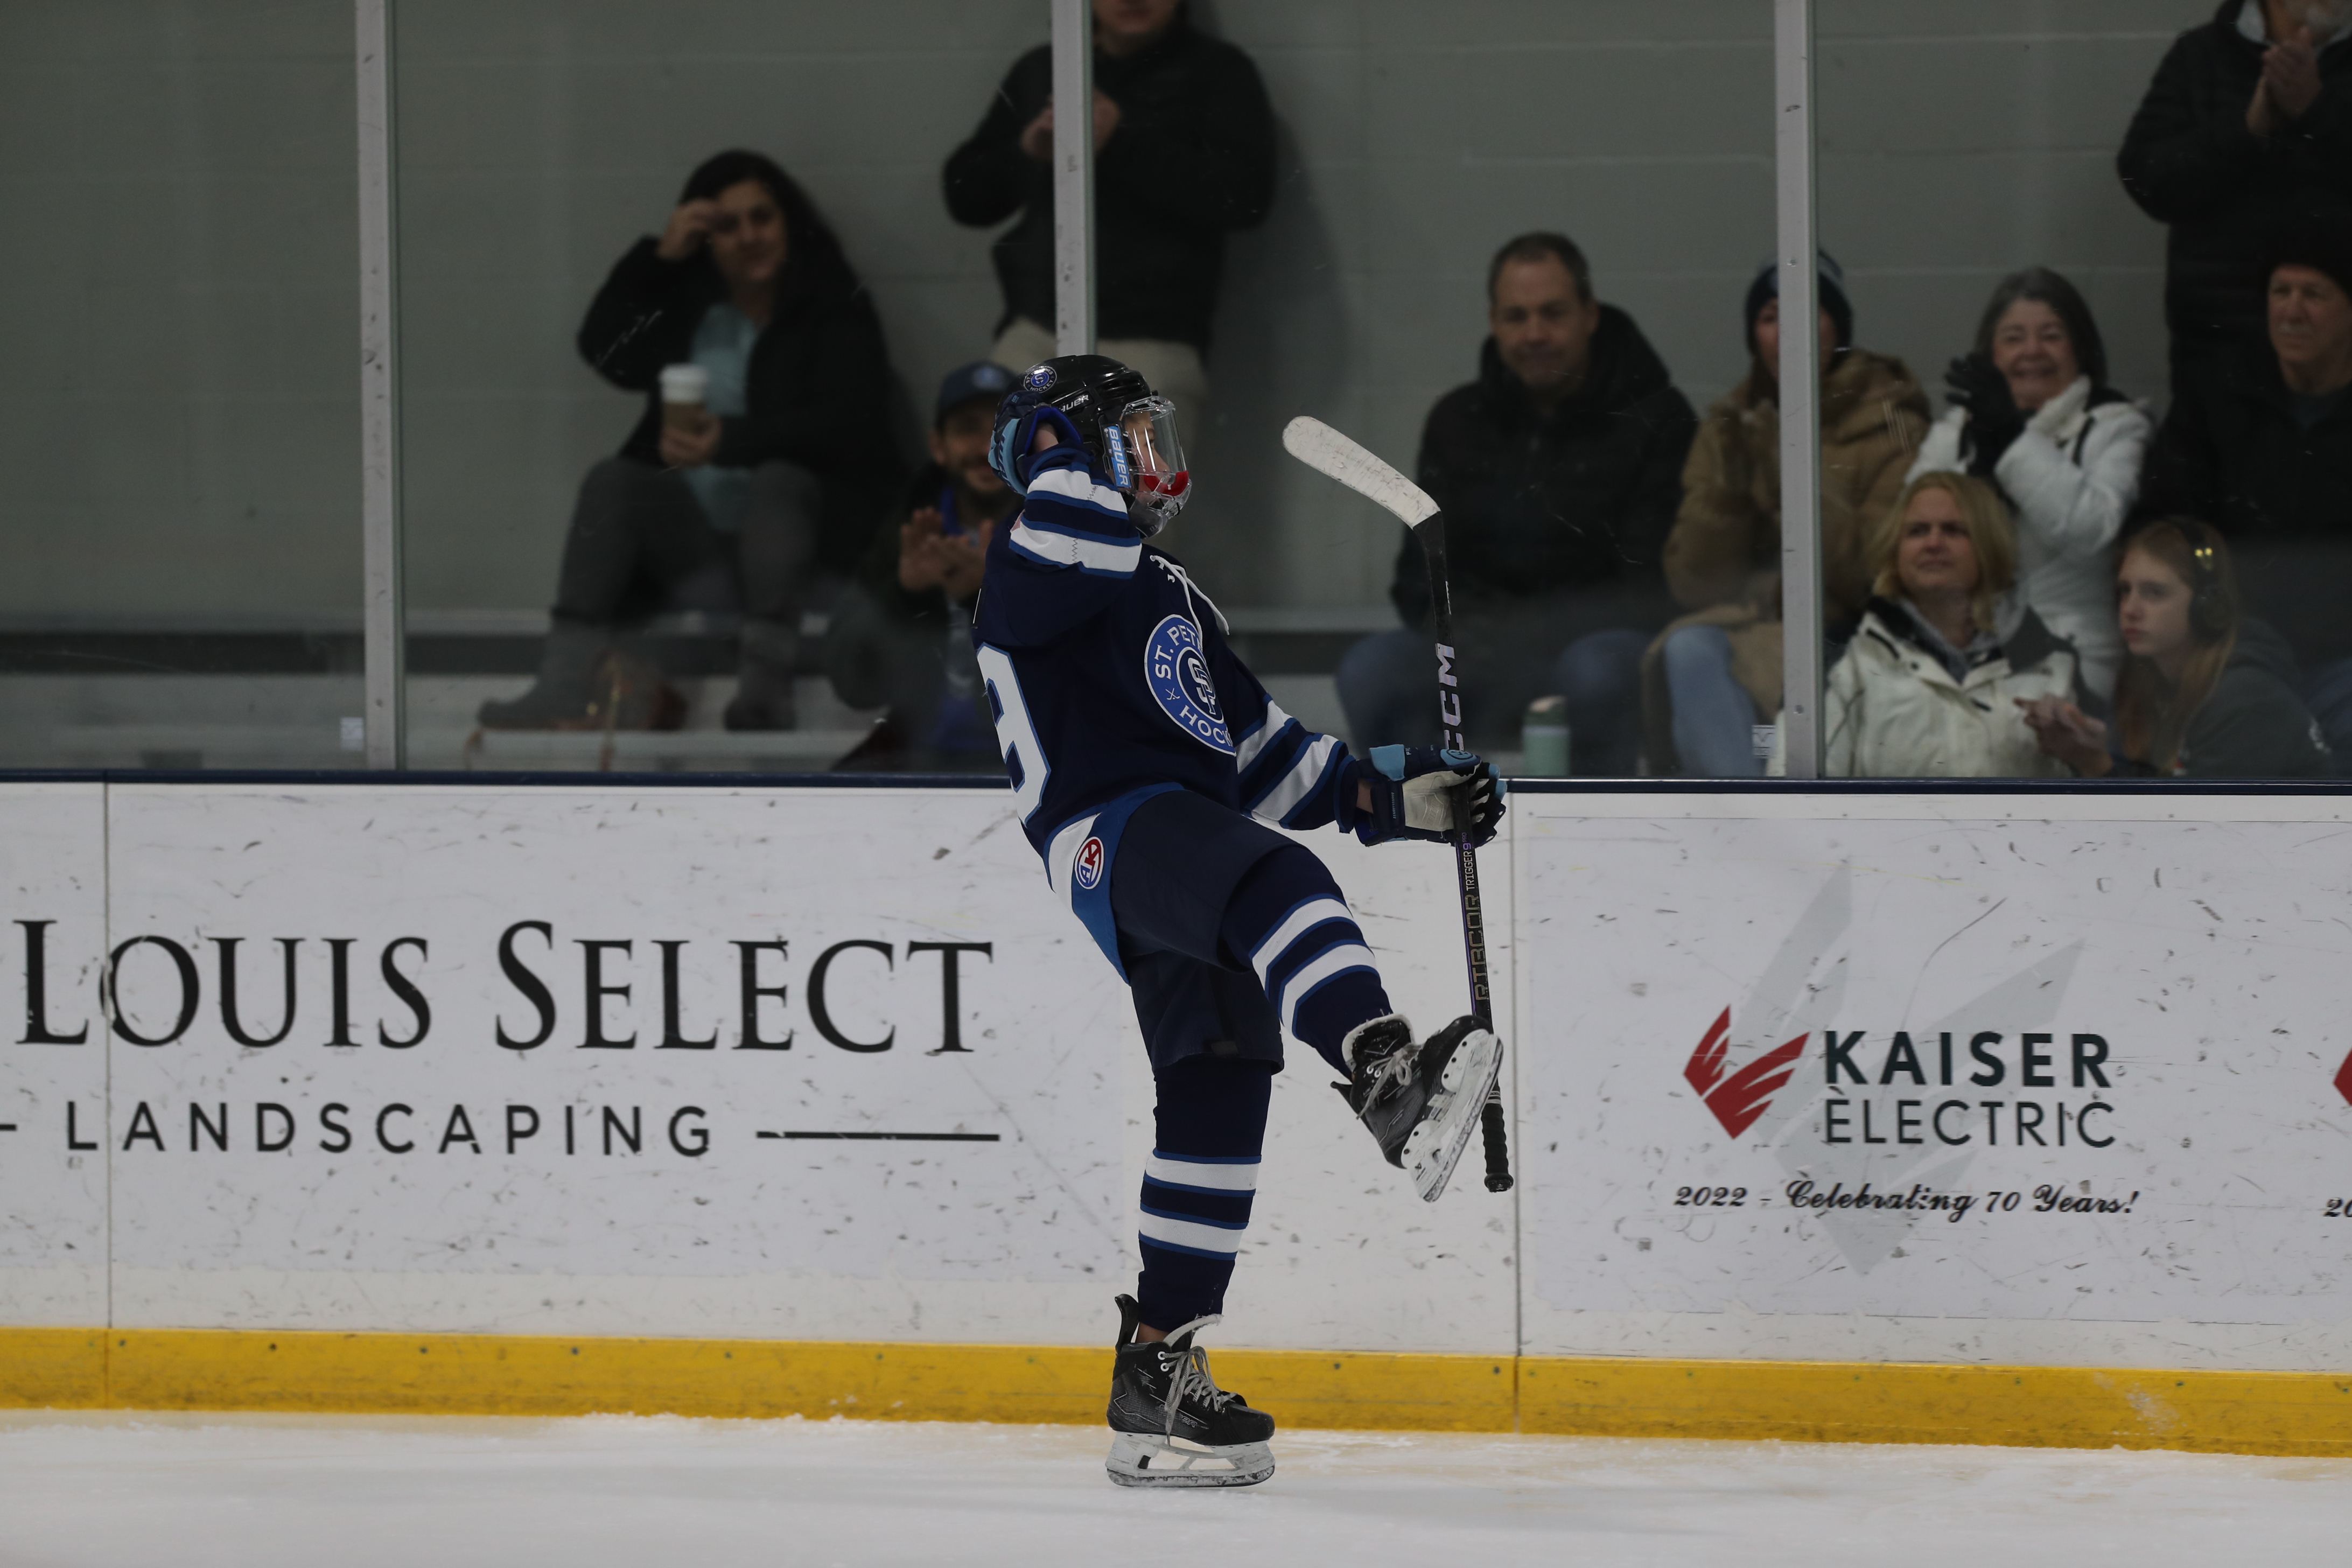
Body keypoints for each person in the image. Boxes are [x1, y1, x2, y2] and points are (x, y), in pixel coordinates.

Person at [973, 354, 1507, 1487]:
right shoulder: (1038, 549)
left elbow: (1268, 760)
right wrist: (1055, 445)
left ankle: (1155, 1373)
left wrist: (1396, 794)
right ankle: (1383, 1072)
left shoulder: (1169, 592)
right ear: (1076, 452)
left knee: (1219, 1079)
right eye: (1134, 438)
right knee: (1275, 880)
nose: (1160, 463)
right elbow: (1077, 526)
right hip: (1110, 831)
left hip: (1187, 840)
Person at [479, 150, 899, 732]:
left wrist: (731, 441)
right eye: (727, 226)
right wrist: (660, 258)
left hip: (804, 553)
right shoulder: (690, 308)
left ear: (788, 224)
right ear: (706, 239)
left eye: (761, 218)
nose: (748, 237)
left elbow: (851, 424)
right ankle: (565, 680)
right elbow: (607, 353)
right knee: (614, 480)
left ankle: (764, 689)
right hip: (701, 553)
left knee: (778, 481)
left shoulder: (831, 306)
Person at [1337, 233, 1697, 773]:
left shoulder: (1657, 419)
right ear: (1494, 322)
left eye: (1553, 313)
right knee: (1371, 671)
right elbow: (1417, 572)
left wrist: (1526, 632)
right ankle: (1421, 814)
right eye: (1516, 316)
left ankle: (1591, 821)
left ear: (1590, 314)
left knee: (1599, 671)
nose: (1535, 334)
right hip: (1481, 653)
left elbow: (1652, 587)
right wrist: (1460, 629)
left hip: (1591, 650)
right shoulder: (1457, 420)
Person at [942, 0, 1274, 556]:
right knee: (1010, 518)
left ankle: (1139, 617)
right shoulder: (1048, 68)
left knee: (1142, 525)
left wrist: (1119, 142)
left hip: (1153, 338)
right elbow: (965, 196)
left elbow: (1244, 197)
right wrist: (1028, 153)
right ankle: (1006, 614)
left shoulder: (1215, 72)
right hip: (1039, 330)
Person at [1644, 253, 1929, 776]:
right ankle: (1755, 816)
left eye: (1809, 310)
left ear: (1839, 328)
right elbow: (1694, 586)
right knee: (1688, 652)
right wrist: (1729, 493)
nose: (1790, 331)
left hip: (1854, 634)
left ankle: (1764, 815)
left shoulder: (1893, 423)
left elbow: (1882, 574)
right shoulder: (1730, 425)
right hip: (1756, 631)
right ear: (1754, 336)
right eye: (1772, 316)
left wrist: (1795, 483)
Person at [2138, 234, 2352, 750]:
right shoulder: (2217, 394)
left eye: (2313, 294)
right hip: (2235, 651)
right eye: (2281, 292)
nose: (2292, 312)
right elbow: (2168, 525)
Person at [1907, 268, 2151, 701]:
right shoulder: (1955, 433)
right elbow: (1908, 533)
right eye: (2014, 338)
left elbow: (2092, 529)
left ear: (2081, 349)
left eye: (2052, 336)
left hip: (2072, 651)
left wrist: (2012, 442)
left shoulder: (2116, 426)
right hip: (1958, 645)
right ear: (1991, 354)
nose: (2032, 351)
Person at [1777, 473, 2083, 780]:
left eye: (1954, 530)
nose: (1933, 543)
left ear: (1989, 544)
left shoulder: (2054, 662)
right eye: (1917, 531)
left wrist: (2087, 757)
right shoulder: (1843, 657)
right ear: (1895, 549)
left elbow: (2096, 789)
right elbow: (1791, 786)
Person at [2117, 0, 2352, 398]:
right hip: (2219, 352)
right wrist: (2247, 131)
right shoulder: (2200, 56)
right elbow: (2145, 178)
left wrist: (2318, 111)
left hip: (2342, 360)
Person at [2025, 517, 2334, 777]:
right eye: (2125, 591)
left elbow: (2192, 826)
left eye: (2154, 593)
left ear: (2207, 607)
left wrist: (2098, 765)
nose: (2130, 609)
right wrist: (2086, 752)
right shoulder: (2150, 684)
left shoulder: (2247, 699)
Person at [827, 362, 1021, 772]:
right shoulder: (909, 528)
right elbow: (853, 684)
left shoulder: (1064, 533)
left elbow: (1079, 683)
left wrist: (987, 599)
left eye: (1002, 428)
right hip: (915, 759)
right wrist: (904, 597)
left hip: (1027, 764)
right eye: (967, 428)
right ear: (938, 446)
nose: (986, 447)